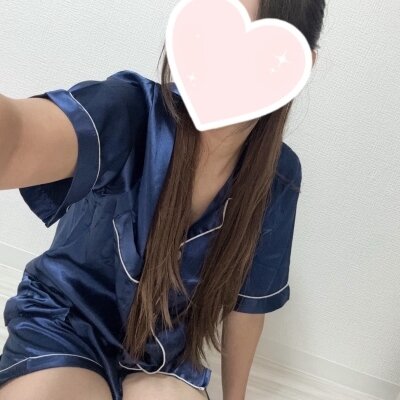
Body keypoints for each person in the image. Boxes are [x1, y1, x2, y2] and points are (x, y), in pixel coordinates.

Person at [0, 0, 326, 399]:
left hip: (162, 357)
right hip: (64, 324)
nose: (225, 60)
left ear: (301, 64)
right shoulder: (132, 110)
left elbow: (248, 305)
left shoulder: (278, 177)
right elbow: (17, 140)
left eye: (255, 46)